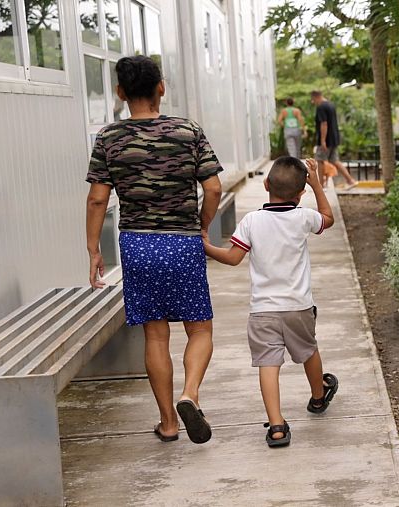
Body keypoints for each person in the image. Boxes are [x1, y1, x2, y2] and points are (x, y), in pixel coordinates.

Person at [85, 55, 220, 445]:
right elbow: (213, 188)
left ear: (121, 92)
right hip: (183, 242)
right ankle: (189, 395)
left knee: (156, 336)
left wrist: (94, 249)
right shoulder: (188, 131)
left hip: (138, 243)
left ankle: (169, 424)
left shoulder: (109, 138)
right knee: (199, 328)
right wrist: (203, 225)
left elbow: (97, 200)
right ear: (161, 87)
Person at [203, 156, 340, 448]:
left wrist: (206, 245)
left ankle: (277, 426)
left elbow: (232, 258)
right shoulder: (303, 217)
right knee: (308, 351)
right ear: (301, 192)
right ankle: (318, 397)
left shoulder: (252, 221)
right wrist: (316, 182)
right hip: (298, 306)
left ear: (266, 185)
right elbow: (328, 218)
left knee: (268, 364)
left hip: (263, 310)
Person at [310, 90, 357, 189]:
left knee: (319, 160)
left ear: (315, 97)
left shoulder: (321, 107)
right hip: (334, 138)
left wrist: (322, 140)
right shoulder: (330, 105)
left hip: (326, 140)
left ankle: (321, 186)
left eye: (313, 99)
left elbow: (324, 124)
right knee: (334, 160)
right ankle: (350, 180)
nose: (313, 102)